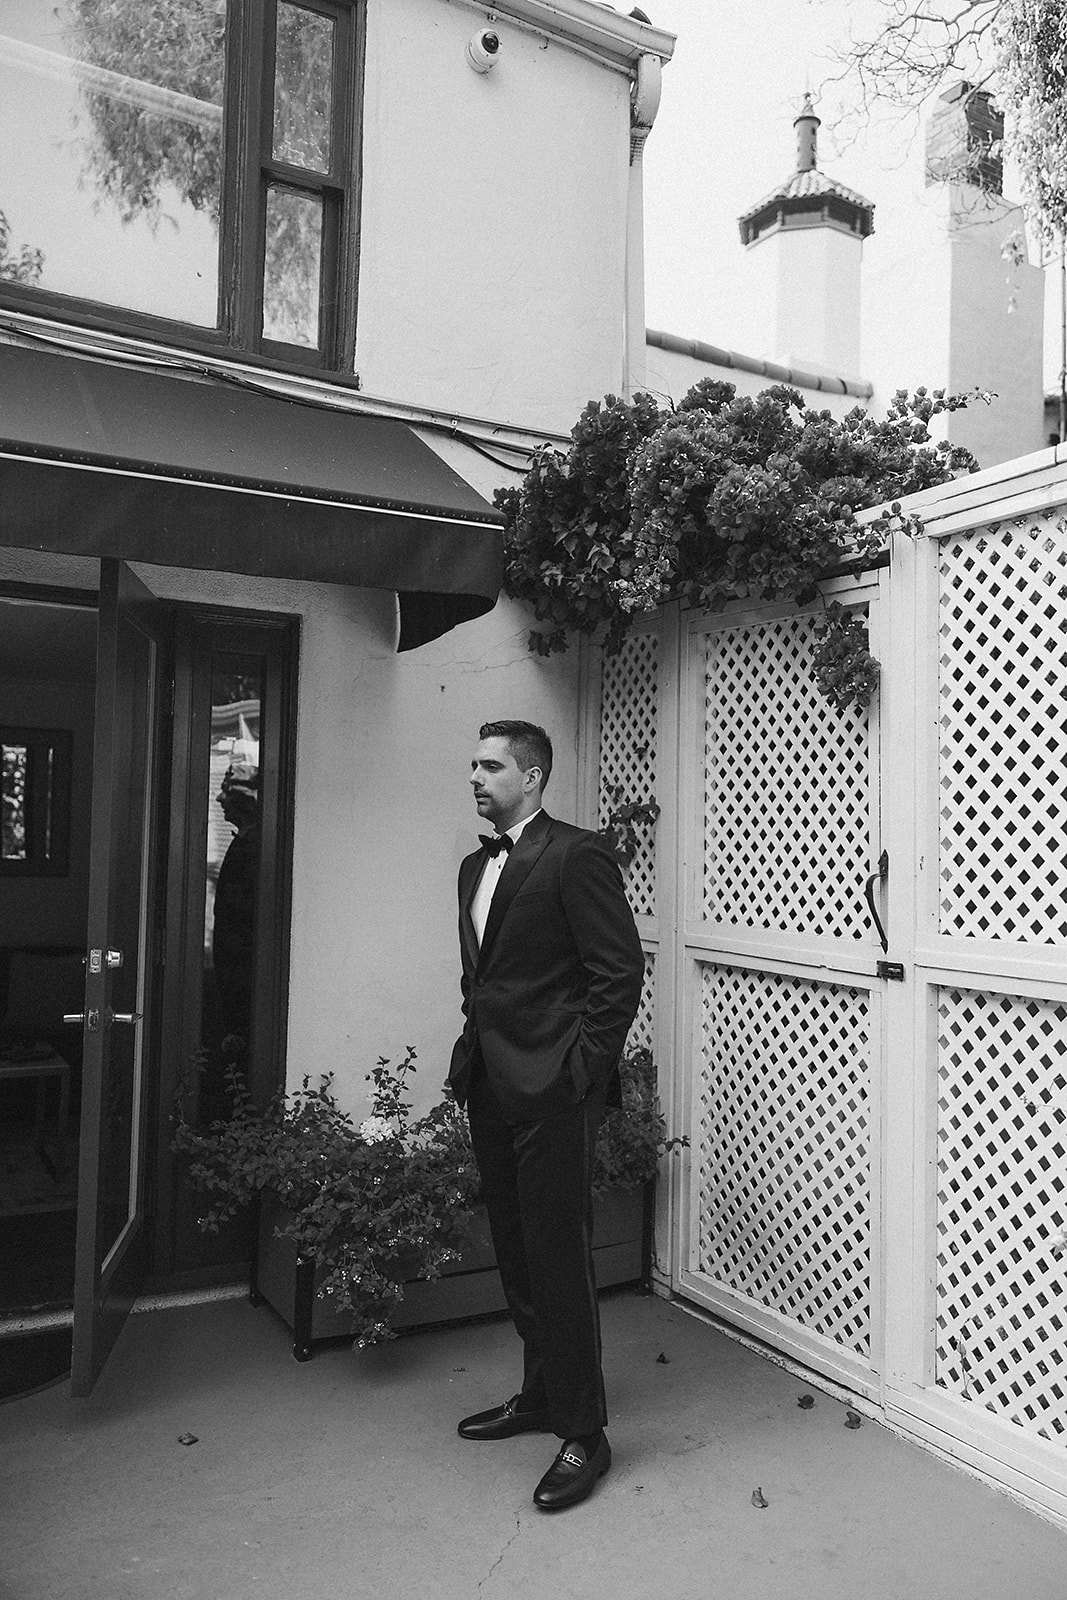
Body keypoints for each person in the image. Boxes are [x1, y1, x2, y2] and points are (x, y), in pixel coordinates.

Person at [448, 720, 645, 1512]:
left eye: (490, 764)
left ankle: (586, 1432)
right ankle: (539, 1394)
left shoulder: (576, 853)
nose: (474, 775)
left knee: (559, 1257)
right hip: (492, 1084)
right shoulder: (472, 865)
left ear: (530, 779)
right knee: (518, 1250)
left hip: (554, 1093)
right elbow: (486, 981)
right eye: (472, 761)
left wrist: (576, 1076)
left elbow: (616, 974)